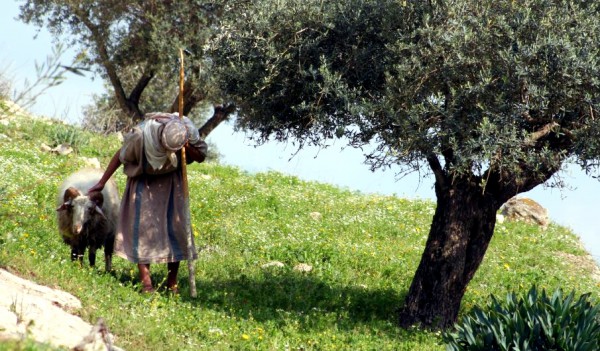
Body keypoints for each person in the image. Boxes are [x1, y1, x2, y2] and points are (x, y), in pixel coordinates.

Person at [88, 112, 208, 293]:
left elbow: (200, 156)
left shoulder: (185, 131)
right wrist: (102, 182)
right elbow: (120, 156)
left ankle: (172, 283)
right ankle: (147, 284)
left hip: (172, 185)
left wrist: (185, 146)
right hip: (143, 183)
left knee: (175, 230)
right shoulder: (141, 136)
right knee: (141, 231)